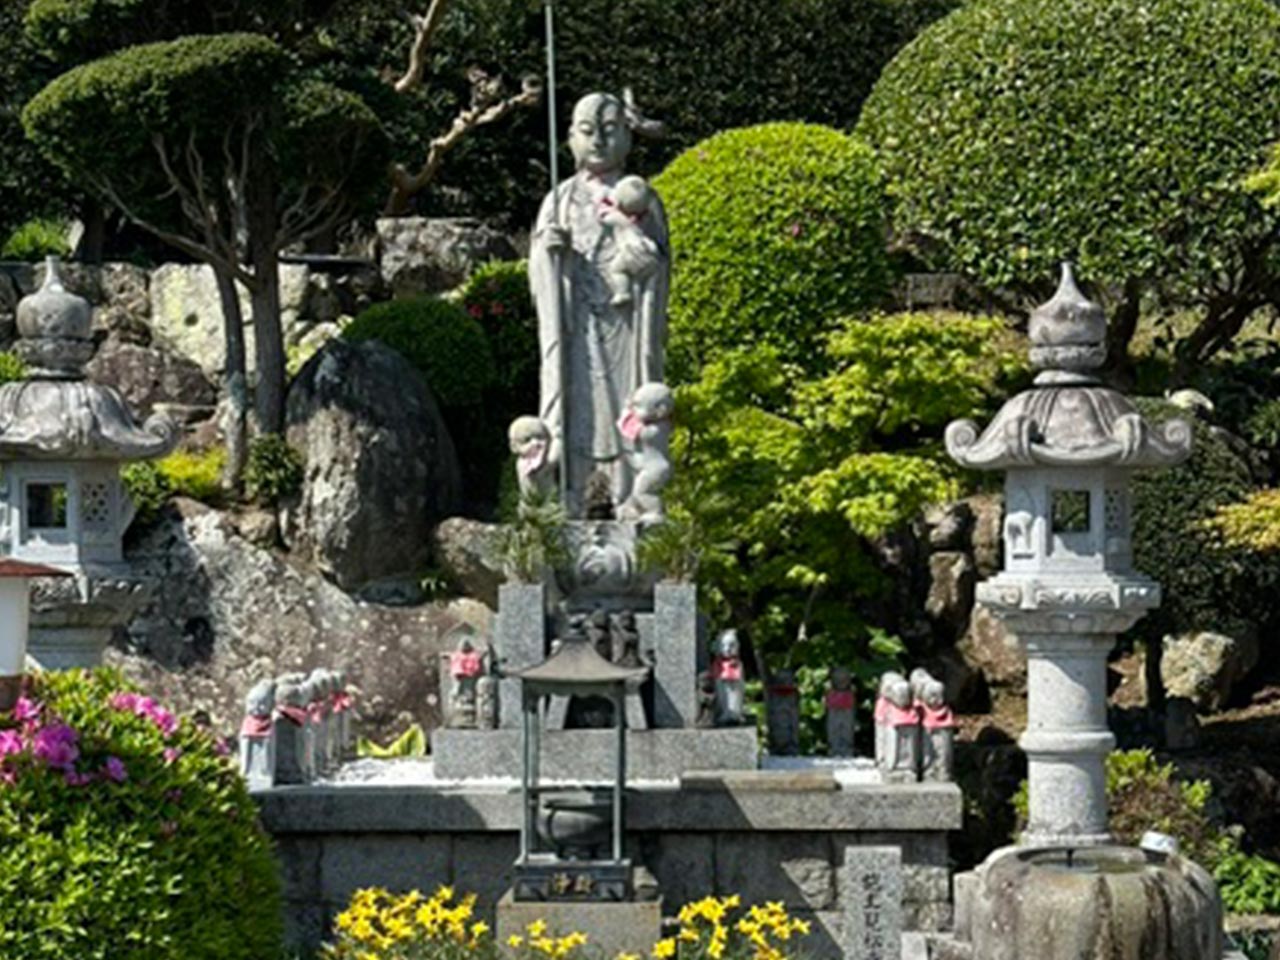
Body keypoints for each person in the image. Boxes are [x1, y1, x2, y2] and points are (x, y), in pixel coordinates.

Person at [529, 92, 670, 518]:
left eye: (609, 131)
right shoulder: (559, 201)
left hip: (626, 323)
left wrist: (633, 241)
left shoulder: (643, 199)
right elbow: (539, 271)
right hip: (575, 323)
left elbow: (656, 266)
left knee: (630, 401)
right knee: (577, 405)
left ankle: (630, 495)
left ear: (627, 136)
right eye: (588, 131)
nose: (598, 142)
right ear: (571, 137)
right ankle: (574, 492)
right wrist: (549, 254)